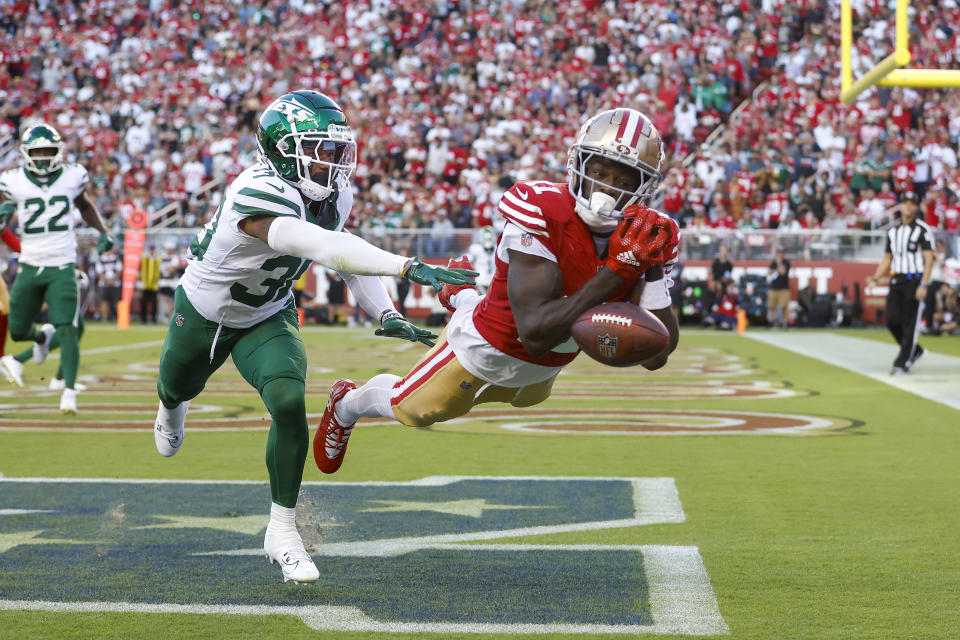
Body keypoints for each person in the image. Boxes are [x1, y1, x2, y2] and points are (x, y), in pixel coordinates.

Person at [151, 90, 476, 585]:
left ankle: (282, 532)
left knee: (287, 399)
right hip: (206, 312)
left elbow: (341, 256)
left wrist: (386, 310)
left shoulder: (332, 195)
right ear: (283, 149)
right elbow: (323, 245)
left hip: (268, 312)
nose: (332, 162)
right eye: (320, 149)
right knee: (177, 387)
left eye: (335, 150)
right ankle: (173, 407)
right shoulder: (255, 191)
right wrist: (408, 266)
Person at [314, 107, 680, 476]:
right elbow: (533, 333)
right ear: (578, 163)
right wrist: (618, 269)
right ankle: (346, 404)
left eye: (623, 178)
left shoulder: (650, 235)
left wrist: (647, 269)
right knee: (417, 410)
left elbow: (657, 355)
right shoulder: (540, 207)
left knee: (524, 399)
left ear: (643, 187)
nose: (606, 187)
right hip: (487, 345)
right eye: (599, 171)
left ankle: (460, 295)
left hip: (543, 367)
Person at [0, 123, 115, 414]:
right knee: (17, 330)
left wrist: (103, 231)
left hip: (62, 262)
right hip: (29, 263)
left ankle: (68, 393)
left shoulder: (72, 176)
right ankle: (40, 338)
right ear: (26, 153)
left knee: (68, 326)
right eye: (36, 151)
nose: (41, 157)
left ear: (57, 152)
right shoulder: (12, 181)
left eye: (47, 151)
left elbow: (85, 205)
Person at [866, 191, 934, 375]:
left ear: (916, 206)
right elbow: (887, 257)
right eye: (905, 203)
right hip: (897, 280)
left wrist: (924, 284)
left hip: (914, 280)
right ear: (900, 206)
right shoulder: (893, 231)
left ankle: (902, 362)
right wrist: (876, 277)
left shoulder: (922, 229)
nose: (908, 206)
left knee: (909, 323)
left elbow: (929, 258)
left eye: (912, 203)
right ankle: (916, 351)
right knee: (892, 320)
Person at [1, 269, 91, 391]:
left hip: (56, 270)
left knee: (74, 327)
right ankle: (18, 359)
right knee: (19, 330)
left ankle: (60, 378)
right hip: (44, 270)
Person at [465, 226, 497, 293]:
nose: (488, 241)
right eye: (486, 239)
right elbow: (465, 260)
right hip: (481, 282)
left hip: (494, 282)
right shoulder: (476, 249)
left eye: (489, 239)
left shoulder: (498, 249)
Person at [767, 247, 791, 328]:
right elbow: (769, 272)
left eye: (781, 253)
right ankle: (771, 322)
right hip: (773, 288)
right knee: (772, 306)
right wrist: (776, 269)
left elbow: (783, 272)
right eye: (778, 253)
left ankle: (786, 323)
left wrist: (779, 263)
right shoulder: (773, 263)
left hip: (783, 288)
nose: (780, 255)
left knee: (784, 306)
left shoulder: (786, 263)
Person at [140, 244, 162, 324]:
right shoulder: (145, 258)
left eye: (153, 249)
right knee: (144, 303)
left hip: (154, 285)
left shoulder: (157, 259)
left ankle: (154, 319)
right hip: (145, 284)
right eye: (151, 249)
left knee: (154, 304)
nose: (152, 251)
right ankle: (143, 320)